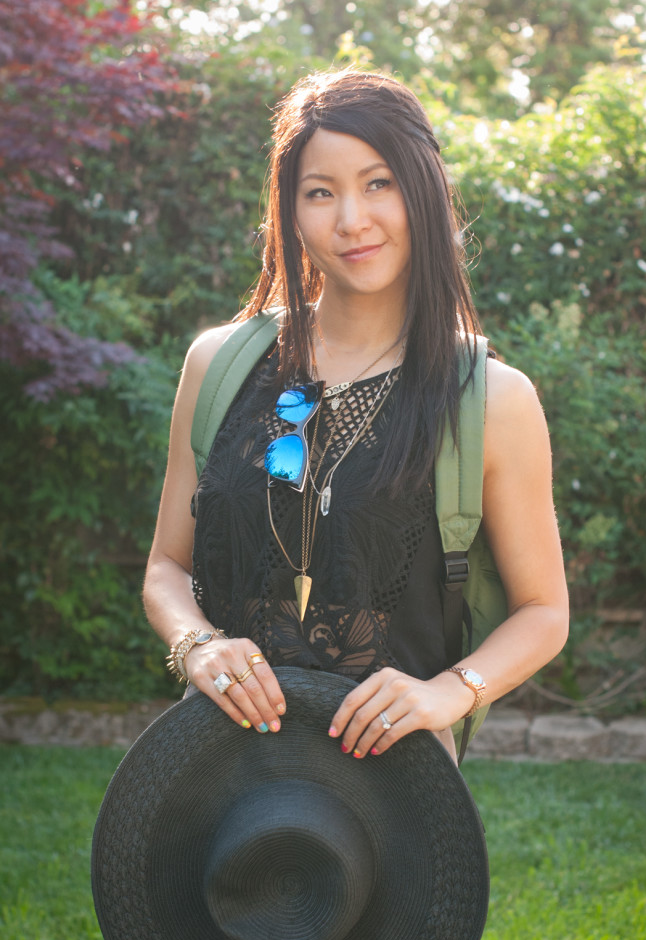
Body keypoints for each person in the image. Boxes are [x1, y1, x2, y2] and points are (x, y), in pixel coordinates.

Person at [143, 68, 569, 766]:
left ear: (423, 190)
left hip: (396, 800)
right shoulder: (219, 364)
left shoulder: (491, 397)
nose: (351, 220)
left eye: (379, 183)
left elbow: (544, 611)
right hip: (219, 776)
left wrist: (452, 691)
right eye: (320, 192)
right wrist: (197, 643)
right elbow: (166, 564)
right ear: (289, 209)